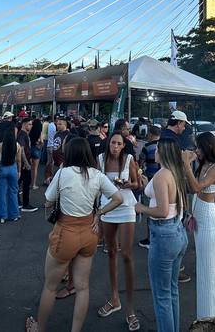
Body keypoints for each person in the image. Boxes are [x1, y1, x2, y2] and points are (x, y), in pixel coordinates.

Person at [25, 137, 124, 332]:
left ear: (69, 153)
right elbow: (118, 198)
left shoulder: (63, 173)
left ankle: (39, 327)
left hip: (65, 232)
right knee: (83, 287)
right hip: (89, 232)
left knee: (50, 286)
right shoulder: (97, 175)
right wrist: (99, 213)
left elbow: (48, 199)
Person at [134, 140, 188, 332]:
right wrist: (146, 184)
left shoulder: (161, 175)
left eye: (157, 149)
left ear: (162, 153)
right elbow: (169, 202)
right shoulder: (174, 172)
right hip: (177, 232)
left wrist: (141, 208)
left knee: (161, 296)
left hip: (164, 235)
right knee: (171, 291)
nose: (154, 151)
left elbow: (162, 210)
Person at [96, 133, 142, 330]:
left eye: (119, 143)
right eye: (113, 143)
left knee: (127, 255)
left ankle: (131, 309)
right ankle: (115, 298)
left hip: (126, 208)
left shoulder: (129, 159)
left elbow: (137, 184)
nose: (115, 146)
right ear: (109, 144)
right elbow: (96, 185)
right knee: (111, 252)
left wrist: (126, 184)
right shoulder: (100, 159)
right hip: (107, 208)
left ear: (124, 146)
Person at [181, 131, 215, 319]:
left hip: (208, 223)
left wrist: (187, 164)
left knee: (209, 271)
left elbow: (198, 187)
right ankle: (210, 314)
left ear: (207, 147)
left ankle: (210, 316)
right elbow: (191, 187)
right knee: (205, 270)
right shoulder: (203, 165)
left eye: (199, 147)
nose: (196, 150)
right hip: (200, 222)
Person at [137, 125, 162, 250]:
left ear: (150, 134)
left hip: (150, 181)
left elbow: (140, 163)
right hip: (164, 181)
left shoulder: (147, 147)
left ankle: (150, 238)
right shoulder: (164, 146)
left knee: (150, 209)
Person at [0, 126, 22, 223]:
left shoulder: (0, 146)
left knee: (2, 193)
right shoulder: (17, 145)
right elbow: (19, 160)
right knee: (13, 192)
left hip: (2, 168)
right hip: (13, 168)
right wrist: (19, 171)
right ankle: (14, 214)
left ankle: (3, 216)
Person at [18, 118, 38, 212]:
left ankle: (18, 202)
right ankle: (25, 204)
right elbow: (21, 150)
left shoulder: (24, 134)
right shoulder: (22, 134)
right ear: (25, 124)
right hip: (24, 164)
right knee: (25, 183)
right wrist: (26, 163)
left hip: (23, 163)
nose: (31, 126)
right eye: (29, 124)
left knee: (19, 183)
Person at [29, 117, 43, 190]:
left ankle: (26, 182)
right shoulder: (39, 131)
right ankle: (33, 184)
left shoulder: (30, 130)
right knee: (35, 168)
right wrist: (39, 146)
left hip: (29, 148)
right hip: (36, 149)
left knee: (28, 166)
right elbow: (42, 141)